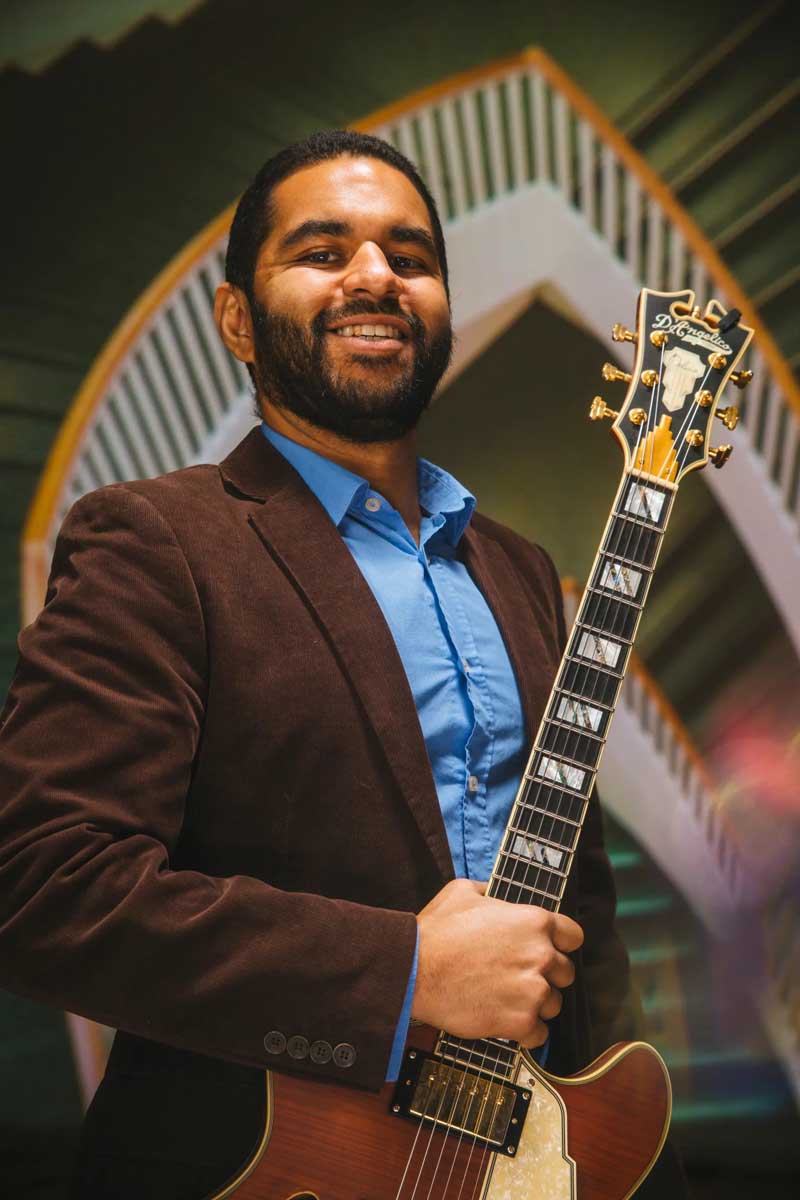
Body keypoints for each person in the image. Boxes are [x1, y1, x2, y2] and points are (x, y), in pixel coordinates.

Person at [0, 130, 684, 1197]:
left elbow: (577, 921)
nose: (376, 275)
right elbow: (47, 889)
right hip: (256, 1167)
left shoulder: (518, 570)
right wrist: (404, 975)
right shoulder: (155, 541)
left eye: (410, 258)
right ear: (236, 319)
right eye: (323, 251)